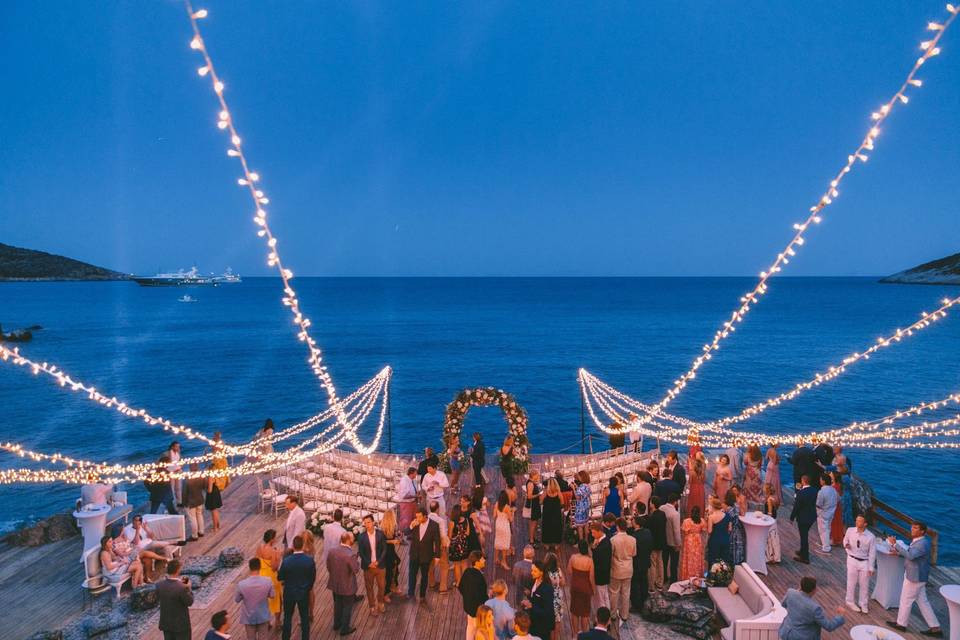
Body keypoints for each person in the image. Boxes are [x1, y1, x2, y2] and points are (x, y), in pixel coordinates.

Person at [886, 522, 943, 637]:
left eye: (915, 528)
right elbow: (912, 555)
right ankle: (935, 628)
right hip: (918, 577)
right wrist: (898, 553)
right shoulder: (921, 541)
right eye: (912, 527)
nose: (912, 529)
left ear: (922, 531)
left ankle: (901, 624)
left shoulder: (922, 544)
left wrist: (895, 544)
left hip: (914, 578)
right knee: (923, 602)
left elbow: (911, 556)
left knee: (905, 601)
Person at [780, 577, 844, 640]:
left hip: (785, 633)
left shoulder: (790, 592)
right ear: (813, 590)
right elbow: (829, 626)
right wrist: (840, 616)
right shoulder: (815, 608)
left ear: (800, 586)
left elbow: (783, 604)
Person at [841, 515, 875, 614]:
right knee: (851, 582)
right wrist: (846, 545)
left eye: (860, 521)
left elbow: (872, 553)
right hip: (852, 559)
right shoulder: (850, 530)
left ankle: (863, 604)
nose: (857, 522)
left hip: (864, 562)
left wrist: (871, 567)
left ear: (865, 524)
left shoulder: (871, 537)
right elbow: (845, 540)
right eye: (856, 520)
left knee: (864, 584)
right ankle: (850, 601)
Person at [323, 532, 356, 637]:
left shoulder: (332, 551)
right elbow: (356, 569)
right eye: (353, 539)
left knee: (338, 604)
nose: (353, 541)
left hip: (335, 584)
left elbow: (328, 566)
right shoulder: (350, 554)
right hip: (347, 586)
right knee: (347, 606)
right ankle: (345, 628)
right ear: (348, 540)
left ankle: (337, 624)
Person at [235, 558, 275, 640]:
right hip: (263, 616)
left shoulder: (242, 584)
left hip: (248, 617)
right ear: (260, 567)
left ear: (249, 568)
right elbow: (272, 595)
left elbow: (237, 599)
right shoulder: (268, 581)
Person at [608, 517, 636, 626]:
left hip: (616, 569)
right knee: (626, 592)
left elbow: (610, 555)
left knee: (614, 593)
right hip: (628, 568)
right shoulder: (633, 539)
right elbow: (634, 554)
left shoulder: (613, 540)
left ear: (618, 527)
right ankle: (625, 615)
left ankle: (613, 614)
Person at [409, 507, 441, 601]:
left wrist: (437, 556)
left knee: (424, 576)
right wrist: (411, 526)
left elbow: (437, 541)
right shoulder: (415, 523)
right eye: (416, 517)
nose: (417, 519)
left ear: (425, 516)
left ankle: (422, 596)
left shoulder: (434, 525)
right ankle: (410, 593)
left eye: (419, 517)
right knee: (412, 574)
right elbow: (406, 533)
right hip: (414, 554)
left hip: (426, 556)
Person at [358, 514, 387, 616]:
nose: (367, 525)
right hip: (368, 567)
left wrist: (378, 561)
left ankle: (380, 602)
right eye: (365, 523)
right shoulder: (361, 537)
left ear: (373, 522)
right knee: (369, 587)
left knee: (382, 586)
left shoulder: (380, 534)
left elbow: (384, 549)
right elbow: (361, 552)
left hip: (380, 565)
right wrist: (369, 563)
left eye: (369, 522)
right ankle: (372, 606)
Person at [157, 559, 193, 640]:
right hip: (180, 625)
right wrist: (189, 588)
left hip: (166, 623)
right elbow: (190, 602)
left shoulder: (159, 585)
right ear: (178, 570)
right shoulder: (182, 588)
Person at [566, 540, 595, 636]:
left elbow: (569, 571)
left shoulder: (573, 558)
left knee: (575, 611)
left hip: (575, 586)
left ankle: (574, 634)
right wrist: (593, 589)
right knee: (585, 613)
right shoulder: (590, 561)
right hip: (585, 588)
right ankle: (584, 635)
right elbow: (591, 578)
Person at [257, 529, 283, 631]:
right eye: (275, 537)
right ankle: (277, 622)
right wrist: (278, 557)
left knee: (265, 601)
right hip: (271, 578)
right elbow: (274, 567)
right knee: (277, 601)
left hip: (261, 575)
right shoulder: (273, 551)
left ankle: (267, 622)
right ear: (272, 539)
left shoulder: (260, 547)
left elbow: (257, 560)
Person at [460, 550, 489, 640]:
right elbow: (481, 596)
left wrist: (467, 596)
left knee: (470, 628)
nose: (484, 560)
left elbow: (460, 587)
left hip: (468, 607)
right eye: (482, 559)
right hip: (478, 611)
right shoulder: (479, 577)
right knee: (478, 630)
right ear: (477, 562)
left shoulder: (467, 572)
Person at [522, 560, 555, 640]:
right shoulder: (533, 581)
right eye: (532, 570)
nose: (532, 573)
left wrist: (531, 606)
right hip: (533, 621)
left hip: (542, 625)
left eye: (535, 571)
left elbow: (548, 611)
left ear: (542, 572)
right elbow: (534, 598)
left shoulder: (547, 588)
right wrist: (528, 597)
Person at [790, 475, 817, 564]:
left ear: (803, 481)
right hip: (811, 516)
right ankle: (802, 551)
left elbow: (796, 506)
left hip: (803, 518)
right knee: (804, 535)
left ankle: (805, 557)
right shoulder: (814, 491)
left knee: (803, 536)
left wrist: (792, 517)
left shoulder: (801, 493)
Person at [629, 512, 652, 612]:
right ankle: (644, 599)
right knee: (644, 581)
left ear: (637, 524)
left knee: (635, 584)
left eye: (633, 522)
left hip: (636, 563)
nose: (631, 523)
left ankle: (636, 605)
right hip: (645, 560)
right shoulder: (648, 532)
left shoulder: (634, 537)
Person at [679, 506, 708, 581]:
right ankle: (697, 575)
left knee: (689, 558)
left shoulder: (686, 521)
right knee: (697, 559)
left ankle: (687, 576)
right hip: (698, 540)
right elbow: (704, 530)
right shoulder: (702, 521)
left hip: (689, 541)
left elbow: (685, 531)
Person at [428, 499, 451, 592]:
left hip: (428, 546)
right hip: (439, 546)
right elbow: (443, 535)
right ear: (437, 509)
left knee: (431, 565)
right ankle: (443, 588)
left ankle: (432, 583)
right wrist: (446, 546)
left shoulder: (427, 518)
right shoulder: (441, 521)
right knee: (444, 566)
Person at [661, 493, 682, 586]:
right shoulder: (675, 514)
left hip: (664, 539)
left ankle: (664, 577)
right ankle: (673, 579)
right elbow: (676, 531)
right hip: (673, 541)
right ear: (675, 502)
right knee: (674, 562)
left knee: (664, 560)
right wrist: (679, 543)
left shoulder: (662, 508)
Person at [589, 522, 612, 609]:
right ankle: (607, 614)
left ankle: (603, 618)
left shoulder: (603, 546)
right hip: (604, 574)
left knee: (601, 598)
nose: (592, 534)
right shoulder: (604, 540)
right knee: (605, 596)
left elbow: (599, 560)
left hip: (601, 575)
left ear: (599, 531)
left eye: (593, 532)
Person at [381, 508, 403, 599]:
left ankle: (394, 585)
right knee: (389, 572)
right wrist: (392, 541)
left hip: (391, 550)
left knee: (396, 565)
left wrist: (398, 536)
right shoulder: (382, 529)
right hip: (386, 552)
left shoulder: (392, 527)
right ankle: (386, 593)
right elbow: (381, 542)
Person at [543, 552, 566, 640]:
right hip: (557, 598)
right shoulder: (558, 570)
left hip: (547, 598)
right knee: (557, 620)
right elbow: (563, 583)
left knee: (548, 620)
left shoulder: (544, 573)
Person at [647, 496, 666, 591]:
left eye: (650, 502)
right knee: (660, 562)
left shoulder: (651, 517)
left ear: (653, 504)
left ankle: (651, 585)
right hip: (661, 541)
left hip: (654, 543)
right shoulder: (662, 514)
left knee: (653, 564)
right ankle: (660, 582)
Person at [182, 463, 206, 541]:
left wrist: (184, 503)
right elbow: (204, 487)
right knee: (199, 515)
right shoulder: (201, 476)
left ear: (190, 468)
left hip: (190, 501)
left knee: (192, 519)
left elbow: (184, 492)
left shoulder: (187, 479)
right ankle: (201, 531)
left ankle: (194, 535)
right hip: (200, 499)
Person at [815, 474, 838, 554]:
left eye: (821, 479)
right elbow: (838, 499)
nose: (820, 481)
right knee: (827, 529)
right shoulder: (833, 490)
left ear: (824, 481)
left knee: (823, 530)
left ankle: (826, 548)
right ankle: (825, 543)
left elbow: (819, 504)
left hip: (823, 513)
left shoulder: (822, 492)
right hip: (831, 512)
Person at [450, 504, 472, 587]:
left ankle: (458, 582)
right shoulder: (466, 520)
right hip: (464, 544)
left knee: (456, 565)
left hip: (455, 546)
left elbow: (450, 535)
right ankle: (465, 581)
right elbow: (468, 533)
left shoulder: (452, 523)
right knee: (464, 564)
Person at [706, 495, 732, 566]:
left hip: (715, 541)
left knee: (713, 561)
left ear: (713, 506)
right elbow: (730, 529)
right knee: (723, 561)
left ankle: (713, 576)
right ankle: (723, 576)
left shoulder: (711, 517)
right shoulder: (727, 515)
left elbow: (709, 531)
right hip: (725, 540)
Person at [540, 478, 563, 553]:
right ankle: (556, 544)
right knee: (556, 526)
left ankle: (547, 544)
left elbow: (540, 501)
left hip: (547, 512)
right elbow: (562, 502)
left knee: (547, 526)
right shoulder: (558, 492)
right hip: (556, 512)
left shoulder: (546, 491)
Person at [494, 490, 515, 570]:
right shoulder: (507, 507)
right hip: (504, 525)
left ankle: (496, 558)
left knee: (498, 541)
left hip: (498, 524)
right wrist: (512, 512)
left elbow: (494, 515)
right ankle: (503, 561)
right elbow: (511, 519)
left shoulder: (496, 504)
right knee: (505, 544)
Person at [396, 467, 419, 534]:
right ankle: (404, 535)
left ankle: (411, 534)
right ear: (411, 473)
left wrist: (417, 495)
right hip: (406, 504)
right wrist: (415, 496)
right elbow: (404, 495)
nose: (416, 475)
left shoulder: (413, 480)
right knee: (406, 521)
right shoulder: (404, 480)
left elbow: (414, 490)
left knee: (413, 520)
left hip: (413, 502)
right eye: (415, 473)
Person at [727, 489, 746, 566]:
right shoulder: (737, 507)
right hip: (737, 529)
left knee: (731, 546)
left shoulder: (729, 509)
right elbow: (743, 513)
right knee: (737, 547)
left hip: (731, 530)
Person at [763, 483, 782, 563]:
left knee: (769, 539)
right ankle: (776, 556)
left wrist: (764, 518)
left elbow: (770, 513)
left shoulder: (769, 500)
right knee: (774, 538)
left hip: (770, 521)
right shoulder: (776, 498)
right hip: (775, 520)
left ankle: (770, 557)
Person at [524, 470, 543, 546]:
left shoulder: (532, 482)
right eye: (537, 475)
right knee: (533, 523)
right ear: (533, 475)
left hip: (535, 505)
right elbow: (529, 496)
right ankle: (532, 540)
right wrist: (538, 494)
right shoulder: (530, 484)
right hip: (533, 506)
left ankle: (533, 537)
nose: (538, 477)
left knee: (533, 523)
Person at [573, 471, 592, 542]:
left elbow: (577, 497)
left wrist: (574, 488)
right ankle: (586, 540)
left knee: (580, 525)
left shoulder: (581, 487)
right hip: (586, 505)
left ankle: (581, 541)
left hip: (581, 507)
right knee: (586, 523)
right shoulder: (587, 486)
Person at [205, 462, 223, 532]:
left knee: (213, 512)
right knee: (216, 511)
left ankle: (215, 527)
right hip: (216, 492)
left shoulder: (210, 476)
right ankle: (218, 525)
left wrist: (205, 489)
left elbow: (209, 489)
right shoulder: (216, 475)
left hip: (212, 494)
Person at [830, 471, 846, 546]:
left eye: (831, 474)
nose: (830, 474)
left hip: (834, 506)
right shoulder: (838, 485)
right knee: (838, 522)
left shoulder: (834, 486)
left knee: (834, 522)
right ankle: (838, 538)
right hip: (838, 506)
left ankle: (835, 540)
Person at [167, 441, 183, 508]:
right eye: (176, 446)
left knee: (178, 487)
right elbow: (168, 463)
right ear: (172, 446)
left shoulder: (178, 452)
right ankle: (173, 503)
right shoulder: (169, 453)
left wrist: (180, 467)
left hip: (178, 471)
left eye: (178, 446)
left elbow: (180, 460)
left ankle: (179, 502)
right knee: (172, 488)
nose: (177, 448)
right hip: (171, 472)